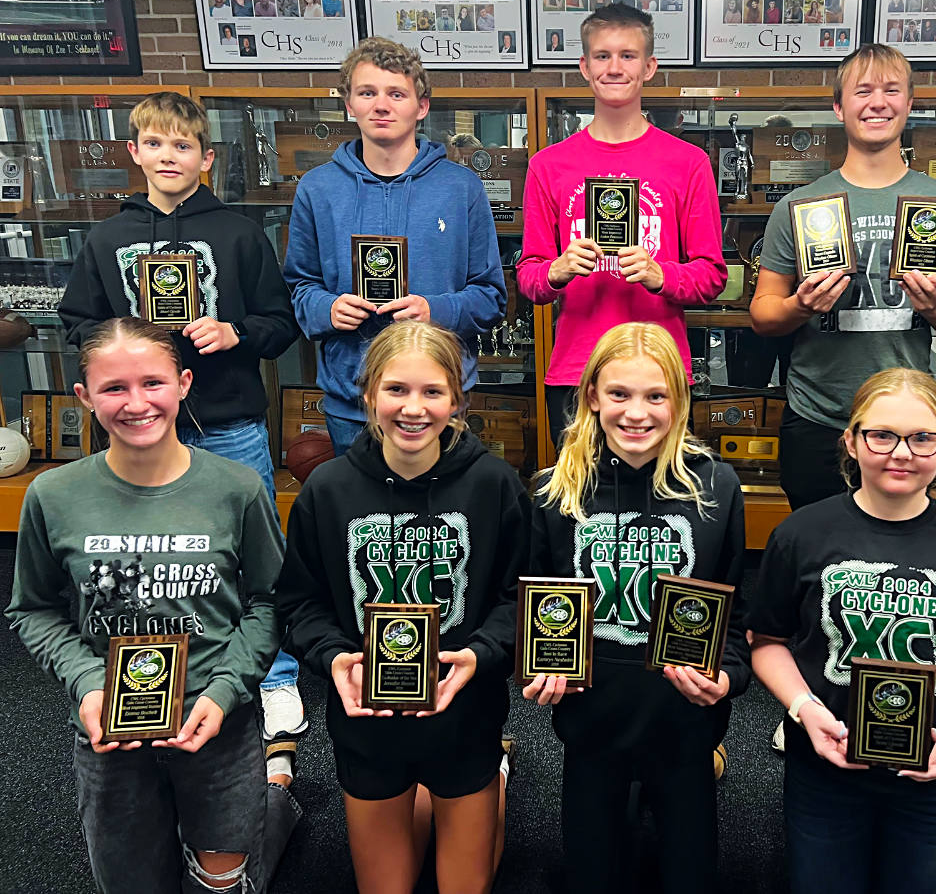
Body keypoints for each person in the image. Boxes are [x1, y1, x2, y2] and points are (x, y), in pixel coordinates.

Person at [57, 92, 307, 777]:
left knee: (255, 560)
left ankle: (276, 676)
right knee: (155, 558)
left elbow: (281, 322)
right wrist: (126, 344)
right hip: (137, 432)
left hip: (228, 422)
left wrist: (235, 332)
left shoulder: (239, 234)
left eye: (184, 146)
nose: (170, 157)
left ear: (206, 156)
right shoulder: (106, 239)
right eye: (156, 145)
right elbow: (76, 323)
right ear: (133, 151)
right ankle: (161, 670)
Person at [6, 318, 285, 894]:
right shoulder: (54, 495)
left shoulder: (237, 488)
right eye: (113, 388)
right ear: (82, 397)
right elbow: (33, 608)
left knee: (224, 882)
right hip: (110, 734)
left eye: (153, 383)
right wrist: (87, 683)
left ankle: (278, 805)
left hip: (218, 724)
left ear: (184, 383)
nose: (137, 404)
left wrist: (227, 688)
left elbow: (269, 601)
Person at [749, 368, 936, 892]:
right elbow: (767, 643)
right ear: (851, 442)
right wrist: (804, 709)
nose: (901, 453)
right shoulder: (800, 535)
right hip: (824, 766)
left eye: (922, 438)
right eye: (882, 435)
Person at [276, 321, 526, 894]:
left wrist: (482, 654)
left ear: (457, 401)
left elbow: (520, 596)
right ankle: (428, 802)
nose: (413, 408)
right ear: (366, 395)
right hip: (368, 722)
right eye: (396, 390)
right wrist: (335, 655)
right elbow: (301, 601)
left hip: (465, 714)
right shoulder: (327, 489)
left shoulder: (493, 484)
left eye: (433, 392)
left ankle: (495, 783)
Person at [524, 322, 748, 894]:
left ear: (680, 399)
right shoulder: (556, 491)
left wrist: (727, 677)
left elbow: (736, 611)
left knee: (688, 875)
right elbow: (534, 605)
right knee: (592, 873)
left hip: (684, 726)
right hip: (591, 722)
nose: (636, 413)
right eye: (619, 394)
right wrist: (538, 668)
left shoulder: (716, 486)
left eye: (656, 396)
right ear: (592, 394)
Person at [750, 44, 936, 512]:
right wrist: (800, 307)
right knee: (816, 556)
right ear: (839, 107)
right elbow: (762, 313)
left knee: (896, 558)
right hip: (818, 416)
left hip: (905, 421)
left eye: (891, 90)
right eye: (863, 91)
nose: (878, 102)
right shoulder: (798, 207)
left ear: (909, 103)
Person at [518, 4, 726, 448]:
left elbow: (712, 275)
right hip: (577, 371)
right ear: (584, 66)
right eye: (602, 55)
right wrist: (558, 270)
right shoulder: (548, 165)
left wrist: (661, 275)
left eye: (628, 56)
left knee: (662, 511)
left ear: (649, 67)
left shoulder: (688, 163)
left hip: (659, 374)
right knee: (579, 510)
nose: (615, 68)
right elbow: (530, 278)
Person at [285, 37, 505, 457]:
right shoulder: (318, 189)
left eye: (396, 94)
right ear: (349, 103)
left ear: (421, 107)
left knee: (442, 519)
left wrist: (433, 310)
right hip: (352, 399)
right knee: (360, 521)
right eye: (367, 93)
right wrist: (327, 310)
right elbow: (299, 286)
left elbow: (490, 296)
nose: (381, 105)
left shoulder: (461, 188)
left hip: (439, 398)